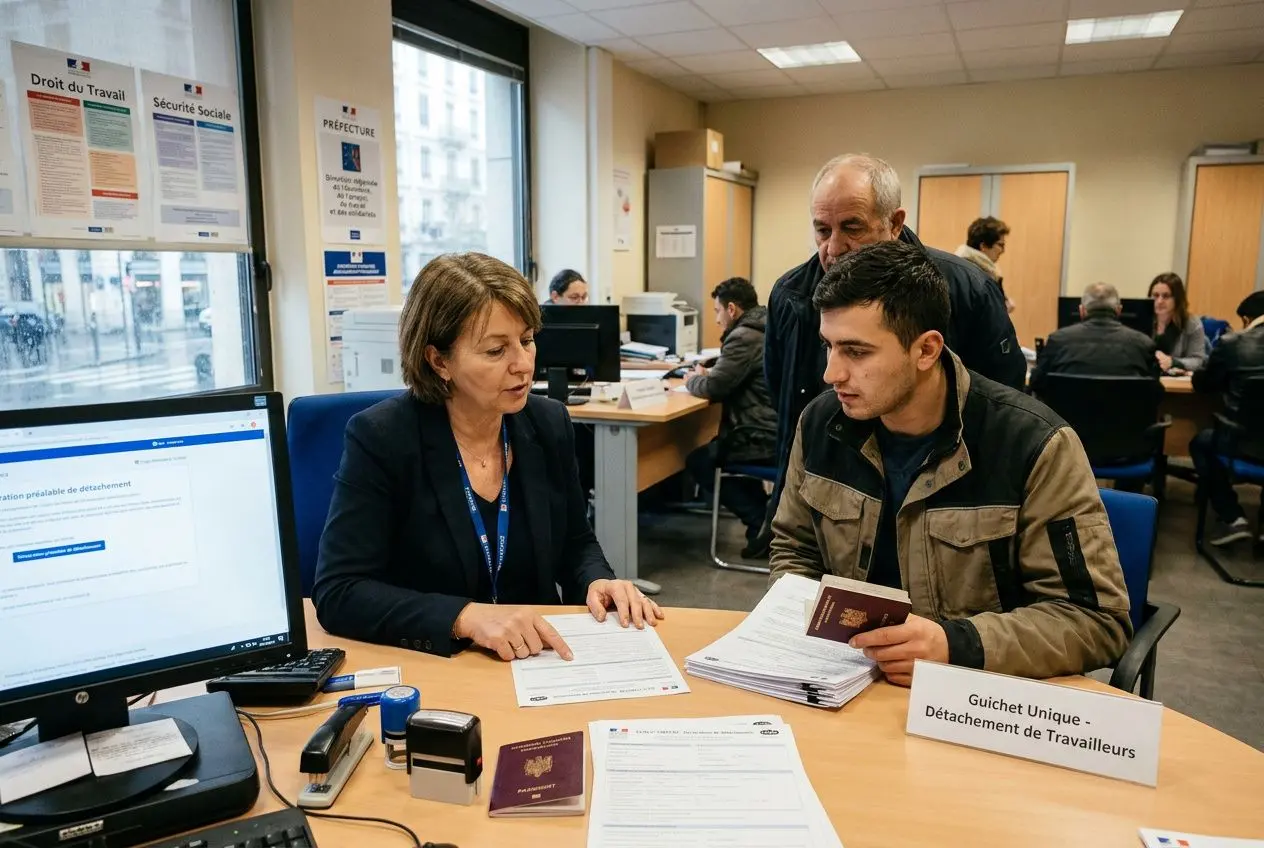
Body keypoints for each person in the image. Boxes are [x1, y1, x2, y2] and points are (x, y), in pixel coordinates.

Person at [769, 241, 1131, 683]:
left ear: (926, 350)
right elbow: (795, 548)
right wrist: (800, 630)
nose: (831, 373)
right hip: (849, 681)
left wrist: (953, 644)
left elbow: (1095, 621)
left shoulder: (1033, 444)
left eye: (856, 352)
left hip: (972, 695)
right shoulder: (822, 423)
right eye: (829, 346)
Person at [313, 252, 661, 661]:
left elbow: (574, 540)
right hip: (444, 664)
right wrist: (465, 617)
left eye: (527, 340)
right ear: (439, 360)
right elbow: (340, 591)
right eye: (496, 351)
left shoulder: (547, 423)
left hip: (539, 657)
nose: (523, 365)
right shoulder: (383, 438)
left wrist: (595, 580)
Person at [762, 154, 1025, 553]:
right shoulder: (791, 295)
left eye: (852, 227)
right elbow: (781, 387)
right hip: (832, 497)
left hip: (948, 501)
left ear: (895, 222)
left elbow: (1002, 400)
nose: (833, 248)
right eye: (822, 230)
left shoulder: (963, 289)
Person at [684, 277, 778, 557]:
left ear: (733, 309)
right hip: (772, 429)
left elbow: (714, 387)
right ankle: (764, 518)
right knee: (714, 453)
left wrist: (692, 379)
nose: (716, 319)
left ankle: (760, 522)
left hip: (759, 434)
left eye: (717, 311)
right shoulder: (765, 326)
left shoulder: (744, 336)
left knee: (700, 461)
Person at [1189, 291, 1264, 546]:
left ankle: (1232, 516)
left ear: (1246, 318)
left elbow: (1203, 383)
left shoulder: (1233, 343)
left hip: (1241, 443)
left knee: (1201, 442)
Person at [1029, 282, 1159, 395]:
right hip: (1128, 422)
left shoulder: (1058, 341)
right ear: (1119, 310)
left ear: (1082, 310)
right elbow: (1155, 391)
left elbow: (1036, 383)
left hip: (1067, 422)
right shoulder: (1144, 344)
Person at [954, 216, 1015, 314]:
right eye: (1000, 245)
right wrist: (1002, 310)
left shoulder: (985, 271)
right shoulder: (972, 274)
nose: (1003, 251)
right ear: (983, 246)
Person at [1149, 272, 1206, 373]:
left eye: (1166, 296)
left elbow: (1198, 360)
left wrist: (1173, 362)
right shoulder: (1142, 319)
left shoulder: (1191, 323)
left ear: (1177, 299)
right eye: (1155, 296)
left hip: (1174, 381)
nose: (1159, 301)